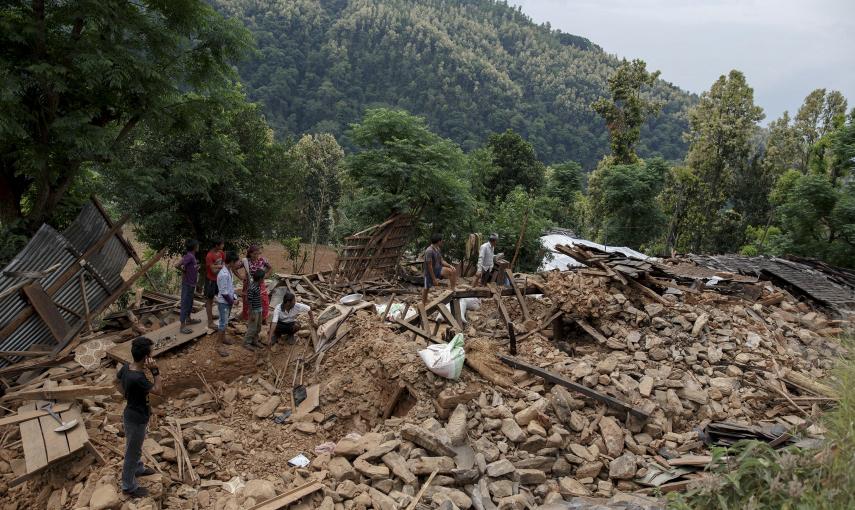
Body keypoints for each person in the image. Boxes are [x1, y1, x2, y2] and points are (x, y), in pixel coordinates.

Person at [116, 336, 162, 498]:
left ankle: (138, 468)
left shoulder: (126, 367)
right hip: (137, 418)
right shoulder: (139, 378)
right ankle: (128, 486)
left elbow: (116, 383)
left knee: (135, 446)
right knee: (131, 452)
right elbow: (158, 390)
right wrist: (155, 371)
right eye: (151, 353)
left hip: (131, 413)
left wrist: (127, 395)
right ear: (146, 357)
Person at [215, 251, 241, 357]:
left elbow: (230, 288)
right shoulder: (223, 274)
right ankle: (219, 344)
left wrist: (234, 297)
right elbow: (224, 292)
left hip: (228, 301)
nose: (238, 264)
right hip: (224, 303)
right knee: (222, 323)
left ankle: (223, 338)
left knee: (225, 322)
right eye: (236, 262)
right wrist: (233, 301)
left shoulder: (229, 271)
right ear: (231, 262)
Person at [422, 233, 458, 305]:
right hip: (429, 272)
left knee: (452, 271)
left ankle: (453, 289)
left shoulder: (437, 249)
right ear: (438, 241)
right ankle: (423, 303)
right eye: (442, 241)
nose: (442, 242)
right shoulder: (429, 251)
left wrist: (450, 266)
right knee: (426, 288)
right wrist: (434, 279)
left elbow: (441, 261)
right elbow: (429, 266)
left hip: (438, 269)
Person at [239, 245, 272, 323]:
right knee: (249, 300)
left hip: (260, 284)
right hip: (249, 284)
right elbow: (234, 268)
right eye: (254, 254)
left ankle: (262, 318)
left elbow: (270, 267)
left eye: (258, 254)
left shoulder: (262, 260)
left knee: (264, 300)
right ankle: (248, 318)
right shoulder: (246, 261)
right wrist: (241, 277)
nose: (256, 256)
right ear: (250, 253)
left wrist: (266, 276)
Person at [176, 240, 201, 334]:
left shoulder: (192, 256)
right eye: (197, 245)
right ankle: (182, 326)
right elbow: (177, 265)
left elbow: (190, 267)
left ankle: (189, 319)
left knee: (190, 303)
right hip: (187, 284)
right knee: (185, 304)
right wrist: (184, 272)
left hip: (191, 284)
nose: (198, 246)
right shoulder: (189, 256)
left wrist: (196, 267)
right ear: (194, 247)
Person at [204, 240, 225, 329]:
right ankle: (210, 322)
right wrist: (221, 267)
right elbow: (213, 271)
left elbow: (223, 262)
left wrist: (220, 266)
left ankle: (211, 316)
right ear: (216, 245)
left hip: (217, 279)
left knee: (213, 299)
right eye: (222, 244)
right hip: (211, 280)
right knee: (209, 300)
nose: (223, 245)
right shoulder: (209, 256)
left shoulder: (221, 253)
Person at [243, 269, 266, 350]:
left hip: (258, 309)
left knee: (258, 327)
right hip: (254, 311)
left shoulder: (257, 286)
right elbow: (249, 301)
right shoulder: (252, 288)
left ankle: (254, 340)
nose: (264, 280)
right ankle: (246, 342)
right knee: (252, 327)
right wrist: (251, 313)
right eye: (263, 278)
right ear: (260, 279)